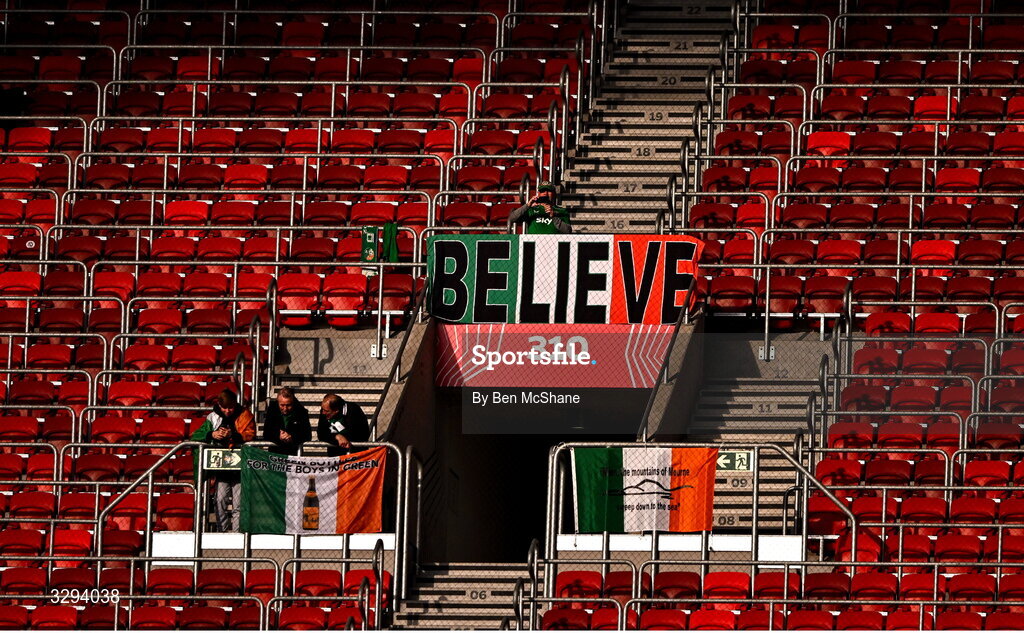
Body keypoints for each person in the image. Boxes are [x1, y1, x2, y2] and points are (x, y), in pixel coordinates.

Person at [190, 389, 256, 532]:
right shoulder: (212, 418)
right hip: (221, 467)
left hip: (240, 467)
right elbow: (196, 436)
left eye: (230, 407)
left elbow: (250, 435)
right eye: (224, 408)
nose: (227, 411)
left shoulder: (245, 415)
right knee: (219, 500)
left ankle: (238, 533)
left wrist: (233, 435)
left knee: (238, 504)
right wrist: (212, 434)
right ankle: (222, 531)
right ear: (219, 405)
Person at [507, 181, 572, 234]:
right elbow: (512, 218)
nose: (545, 193)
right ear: (538, 193)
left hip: (553, 245)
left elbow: (568, 231)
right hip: (533, 244)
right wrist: (527, 205)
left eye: (549, 191)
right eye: (542, 191)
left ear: (554, 193)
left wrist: (554, 217)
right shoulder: (531, 209)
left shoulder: (561, 211)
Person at [262, 387, 312, 456]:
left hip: (294, 454)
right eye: (282, 405)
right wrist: (278, 436)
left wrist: (292, 437)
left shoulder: (301, 412)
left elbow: (307, 435)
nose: (285, 408)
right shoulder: (272, 411)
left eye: (288, 405)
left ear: (293, 402)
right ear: (278, 402)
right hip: (275, 453)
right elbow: (266, 433)